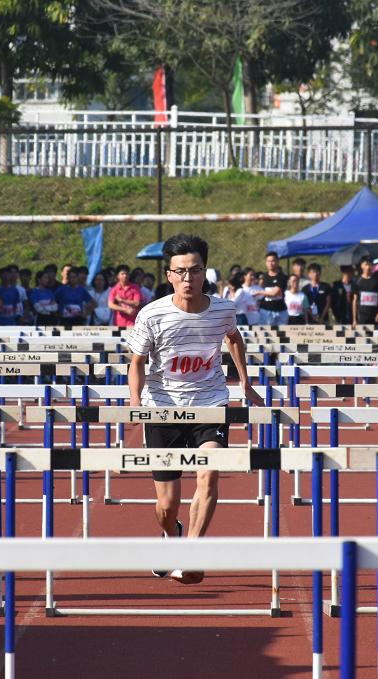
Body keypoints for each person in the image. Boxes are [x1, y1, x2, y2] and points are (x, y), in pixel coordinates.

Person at [126, 234, 262, 585]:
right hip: (162, 408)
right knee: (167, 505)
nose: (188, 278)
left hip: (210, 401)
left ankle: (191, 553)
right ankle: (171, 535)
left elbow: (233, 337)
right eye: (181, 272)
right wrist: (135, 402)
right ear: (169, 275)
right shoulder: (152, 314)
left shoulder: (223, 309)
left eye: (195, 270)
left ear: (205, 271)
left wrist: (245, 383)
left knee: (209, 472)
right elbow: (137, 362)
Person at [351, 257, 378, 327]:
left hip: (375, 317)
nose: (368, 267)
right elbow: (355, 300)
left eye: (370, 264)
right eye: (366, 264)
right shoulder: (356, 280)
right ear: (361, 266)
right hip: (361, 316)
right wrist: (354, 319)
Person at [258, 252, 287, 326]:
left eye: (273, 261)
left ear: (277, 262)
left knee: (282, 332)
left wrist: (259, 292)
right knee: (265, 331)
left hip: (280, 310)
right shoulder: (263, 277)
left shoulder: (282, 277)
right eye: (268, 261)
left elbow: (275, 293)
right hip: (265, 310)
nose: (270, 263)